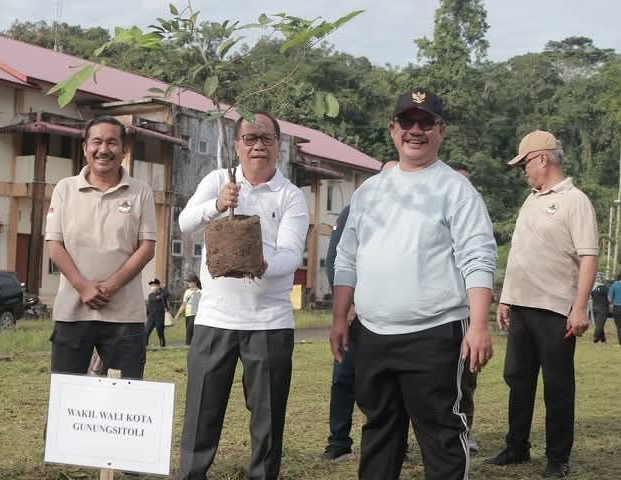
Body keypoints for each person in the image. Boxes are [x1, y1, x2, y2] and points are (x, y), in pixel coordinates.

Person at [331, 88, 497, 480]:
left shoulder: (457, 190)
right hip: (372, 333)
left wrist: (478, 324)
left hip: (436, 335)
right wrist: (340, 317)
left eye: (426, 123)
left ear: (441, 130)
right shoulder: (369, 191)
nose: (416, 131)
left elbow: (477, 257)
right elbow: (346, 257)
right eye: (408, 122)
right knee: (379, 432)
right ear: (393, 129)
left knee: (441, 436)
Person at [177, 111, 309, 480]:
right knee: (201, 412)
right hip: (215, 319)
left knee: (267, 418)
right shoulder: (219, 180)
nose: (258, 146)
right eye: (250, 138)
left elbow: (291, 253)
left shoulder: (290, 196)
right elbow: (185, 223)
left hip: (269, 322)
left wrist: (260, 264)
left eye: (266, 138)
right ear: (236, 145)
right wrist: (218, 205)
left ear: (278, 146)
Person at [485, 130, 598, 478]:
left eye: (524, 164)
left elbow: (589, 256)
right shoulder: (531, 199)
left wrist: (580, 307)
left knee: (558, 386)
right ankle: (517, 446)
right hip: (521, 306)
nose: (523, 171)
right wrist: (506, 299)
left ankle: (557, 458)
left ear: (542, 159)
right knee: (517, 379)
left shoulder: (574, 200)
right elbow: (520, 254)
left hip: (555, 309)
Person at [45, 115, 157, 380]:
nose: (104, 149)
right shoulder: (65, 189)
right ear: (85, 148)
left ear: (124, 150)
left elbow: (146, 248)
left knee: (124, 399)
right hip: (72, 312)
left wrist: (110, 287)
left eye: (112, 143)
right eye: (96, 142)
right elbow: (54, 245)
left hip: (124, 316)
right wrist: (83, 287)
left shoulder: (141, 192)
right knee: (66, 397)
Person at [320, 160, 398, 462]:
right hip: (355, 316)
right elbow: (337, 258)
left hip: (394, 318)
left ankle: (393, 444)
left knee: (390, 382)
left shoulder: (411, 216)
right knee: (344, 378)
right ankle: (339, 442)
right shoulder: (354, 210)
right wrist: (348, 306)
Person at [446, 161, 480, 454]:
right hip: (438, 314)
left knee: (465, 379)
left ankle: (465, 431)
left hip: (466, 312)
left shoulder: (474, 219)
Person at [174, 274, 202, 346]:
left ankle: (189, 346)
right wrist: (177, 315)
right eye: (188, 282)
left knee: (190, 332)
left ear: (195, 282)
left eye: (190, 282)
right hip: (188, 314)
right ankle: (190, 346)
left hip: (195, 314)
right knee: (188, 331)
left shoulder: (200, 292)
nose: (188, 283)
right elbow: (184, 304)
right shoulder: (187, 292)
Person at [145, 278, 169, 348]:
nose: (152, 287)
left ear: (158, 285)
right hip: (151, 317)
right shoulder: (151, 295)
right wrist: (146, 315)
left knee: (160, 333)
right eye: (151, 285)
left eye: (154, 285)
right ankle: (145, 346)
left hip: (160, 317)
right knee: (146, 332)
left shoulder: (163, 294)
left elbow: (167, 294)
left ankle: (162, 346)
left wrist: (163, 288)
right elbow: (150, 305)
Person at [608, 271, 621, 345]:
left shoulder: (615, 285)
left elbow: (609, 298)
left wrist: (612, 303)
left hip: (618, 307)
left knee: (620, 326)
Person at [591, 273, 609, 343]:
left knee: (598, 323)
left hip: (594, 307)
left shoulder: (593, 288)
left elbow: (592, 297)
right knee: (600, 324)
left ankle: (603, 339)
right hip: (603, 308)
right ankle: (596, 337)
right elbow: (609, 298)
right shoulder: (605, 288)